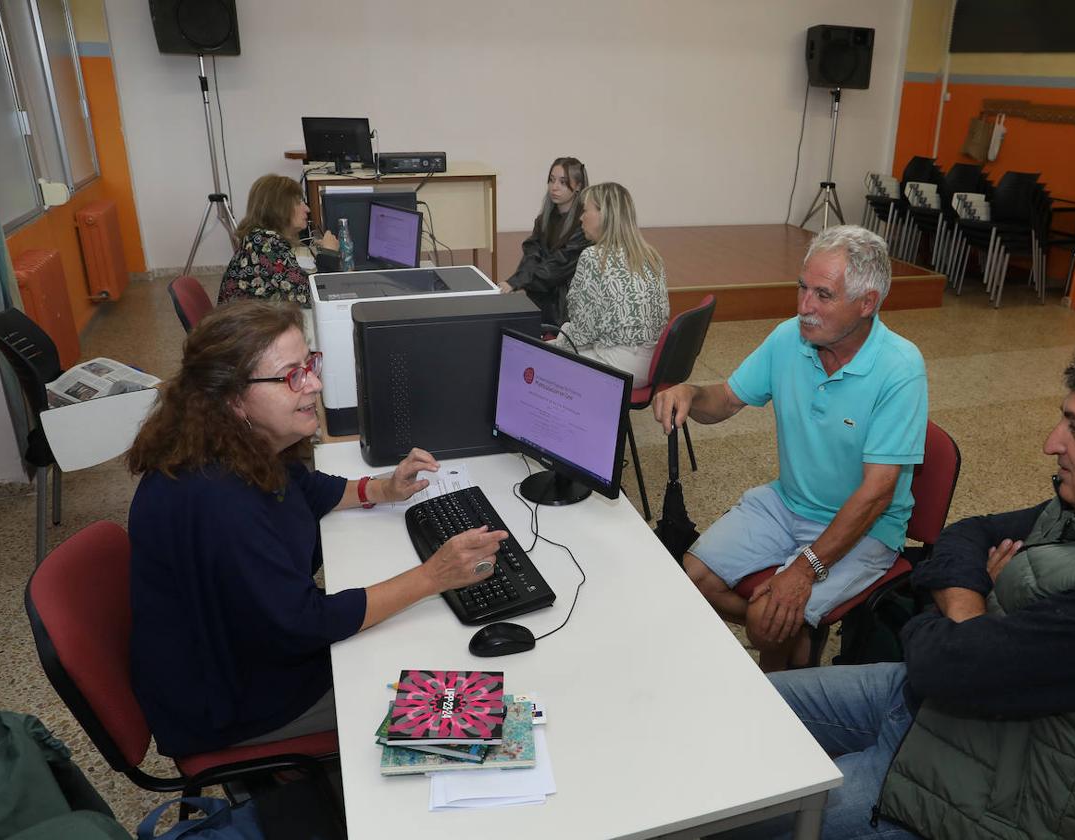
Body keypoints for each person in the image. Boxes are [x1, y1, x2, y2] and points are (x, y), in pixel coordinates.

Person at [743, 340, 1075, 840]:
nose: (1052, 442)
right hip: (925, 705)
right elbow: (965, 534)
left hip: (965, 796)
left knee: (731, 812)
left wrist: (964, 622)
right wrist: (977, 611)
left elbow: (947, 664)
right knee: (737, 705)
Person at [125, 300, 505, 757]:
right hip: (230, 700)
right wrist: (433, 576)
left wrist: (382, 488)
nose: (316, 384)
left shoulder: (232, 442)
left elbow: (302, 487)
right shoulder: (217, 501)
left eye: (311, 365)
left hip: (242, 651)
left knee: (414, 649)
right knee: (437, 695)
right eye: (293, 376)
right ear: (232, 397)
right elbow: (303, 623)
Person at [653, 225, 927, 671]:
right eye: (803, 289)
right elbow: (724, 400)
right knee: (693, 577)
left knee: (770, 618)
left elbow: (877, 493)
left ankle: (788, 692)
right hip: (789, 502)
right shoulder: (789, 339)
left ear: (867, 302)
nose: (804, 307)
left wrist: (803, 570)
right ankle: (794, 639)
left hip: (865, 527)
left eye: (823, 295)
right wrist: (689, 392)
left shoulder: (900, 367)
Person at [554, 181, 670, 387]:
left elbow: (581, 334)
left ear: (604, 214)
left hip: (620, 368)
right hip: (654, 365)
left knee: (543, 358)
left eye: (585, 211)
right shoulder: (652, 256)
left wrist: (555, 341)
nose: (581, 218)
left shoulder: (593, 257)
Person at [218, 174, 336, 308]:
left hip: (251, 320)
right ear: (280, 208)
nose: (307, 209)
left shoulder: (260, 238)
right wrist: (329, 254)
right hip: (246, 326)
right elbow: (312, 299)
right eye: (299, 202)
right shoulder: (266, 244)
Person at [498, 157, 589, 326]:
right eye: (551, 180)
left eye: (563, 182)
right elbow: (532, 253)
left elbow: (559, 265)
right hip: (540, 297)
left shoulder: (584, 225)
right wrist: (514, 281)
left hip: (566, 308)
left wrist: (516, 282)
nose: (554, 187)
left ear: (578, 186)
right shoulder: (543, 220)